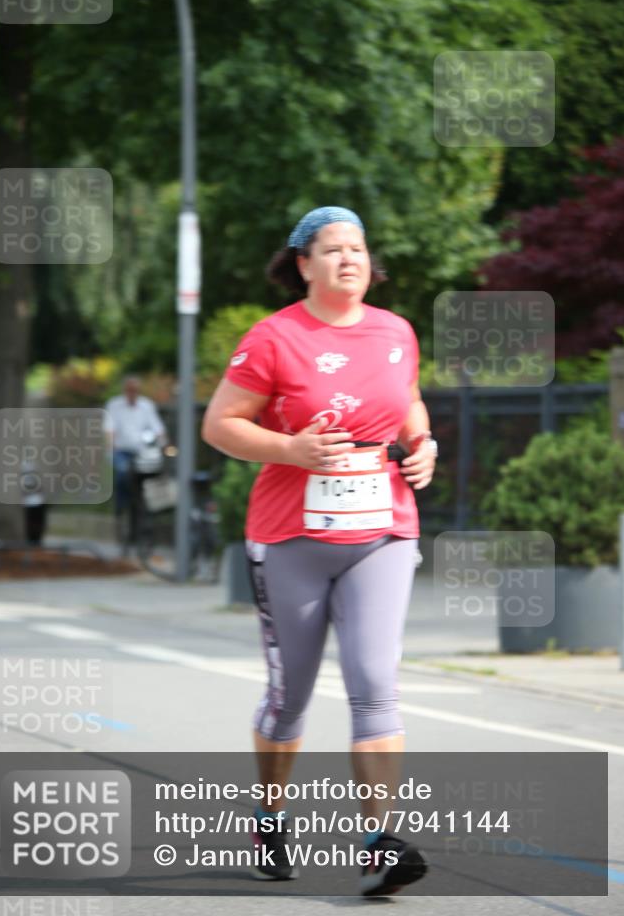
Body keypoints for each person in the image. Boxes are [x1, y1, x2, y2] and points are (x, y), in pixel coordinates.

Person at [201, 206, 437, 897]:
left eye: (357, 248)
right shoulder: (274, 338)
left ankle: (378, 844)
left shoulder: (396, 332)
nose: (348, 260)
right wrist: (289, 449)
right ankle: (270, 816)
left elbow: (409, 401)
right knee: (289, 696)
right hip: (290, 537)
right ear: (303, 264)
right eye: (331, 250)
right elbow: (219, 425)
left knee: (374, 684)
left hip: (383, 530)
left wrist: (422, 446)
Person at [104, 376, 167, 537]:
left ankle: (146, 514)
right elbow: (109, 430)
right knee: (123, 474)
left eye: (135, 390)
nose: (132, 393)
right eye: (130, 390)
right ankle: (121, 510)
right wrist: (111, 445)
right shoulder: (114, 406)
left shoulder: (146, 406)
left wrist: (164, 444)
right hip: (122, 451)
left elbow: (157, 428)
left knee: (151, 478)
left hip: (143, 452)